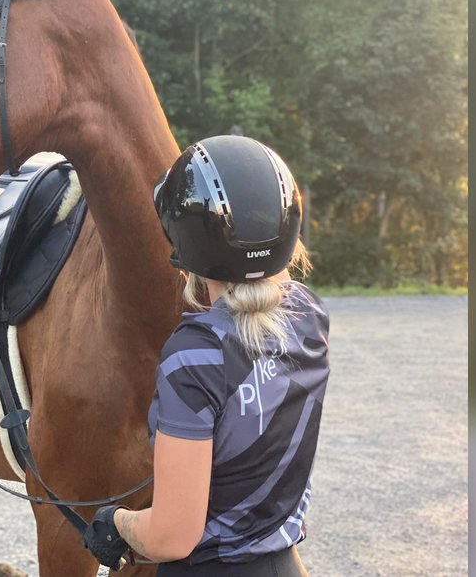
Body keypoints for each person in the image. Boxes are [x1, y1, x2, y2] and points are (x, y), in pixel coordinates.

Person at [83, 135, 330, 575]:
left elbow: (172, 536)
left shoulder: (194, 356)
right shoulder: (309, 316)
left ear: (188, 246)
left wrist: (117, 523)